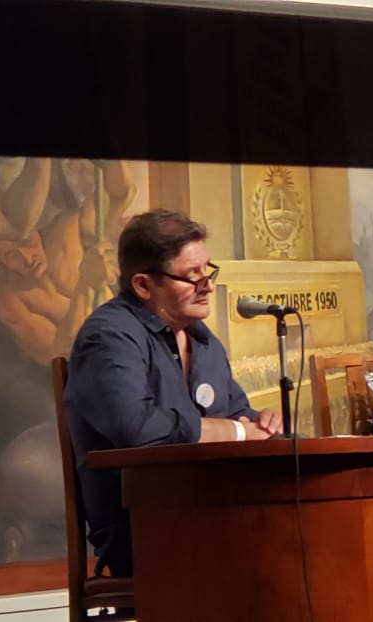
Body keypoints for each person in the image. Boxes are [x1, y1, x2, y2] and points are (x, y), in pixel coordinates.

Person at [64, 210, 283, 577]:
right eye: (192, 276)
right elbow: (137, 429)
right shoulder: (108, 337)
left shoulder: (204, 340)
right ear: (143, 285)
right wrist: (237, 432)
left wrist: (261, 422)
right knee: (283, 556)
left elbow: (236, 414)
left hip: (215, 510)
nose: (207, 286)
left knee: (308, 537)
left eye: (208, 271)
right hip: (143, 526)